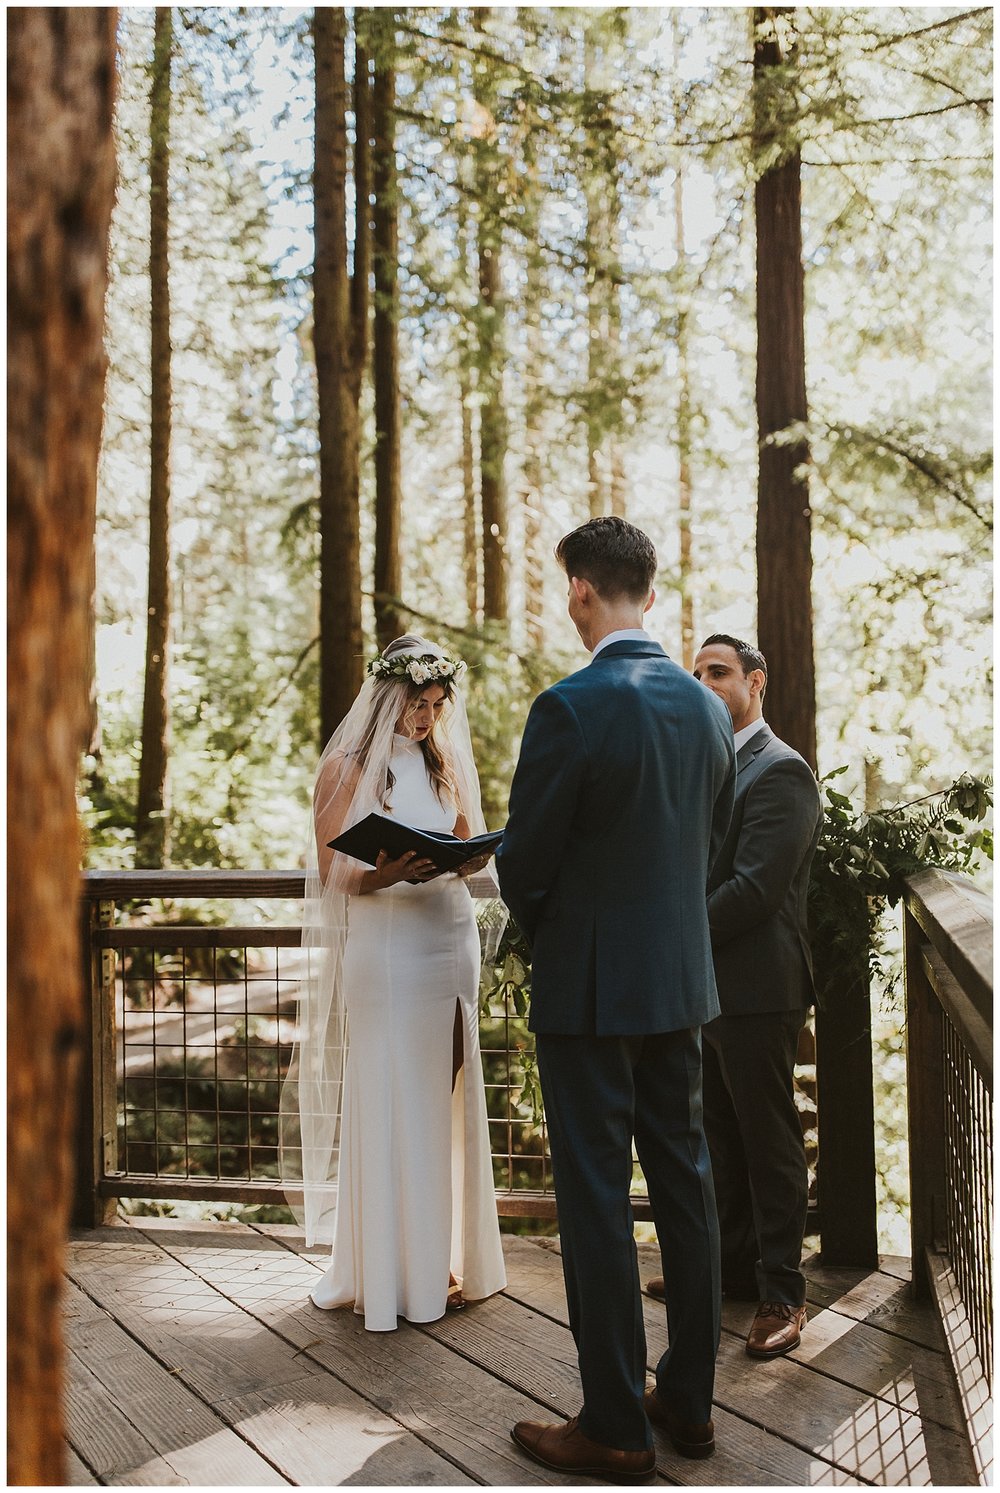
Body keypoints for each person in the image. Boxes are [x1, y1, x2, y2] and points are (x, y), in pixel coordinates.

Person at [496, 517, 736, 1481]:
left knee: (595, 1198)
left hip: (590, 992)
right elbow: (710, 842)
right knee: (687, 1186)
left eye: (567, 589)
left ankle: (613, 1424)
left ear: (584, 591)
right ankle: (687, 1398)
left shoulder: (571, 706)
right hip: (680, 983)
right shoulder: (708, 710)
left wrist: (563, 924)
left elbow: (525, 863)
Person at [282, 634, 506, 1332]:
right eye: (417, 703)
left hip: (446, 937)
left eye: (438, 705)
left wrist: (466, 859)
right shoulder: (347, 766)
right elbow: (331, 872)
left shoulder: (441, 764)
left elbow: (466, 842)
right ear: (389, 693)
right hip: (387, 947)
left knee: (442, 1097)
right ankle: (390, 1266)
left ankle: (442, 1253)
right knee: (391, 1093)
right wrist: (388, 872)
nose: (426, 718)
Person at [645, 634, 822, 1360]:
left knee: (769, 1139)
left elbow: (753, 890)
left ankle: (783, 1291)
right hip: (710, 987)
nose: (703, 682)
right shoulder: (709, 763)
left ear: (756, 681)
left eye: (718, 672)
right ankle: (725, 1275)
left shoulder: (781, 771)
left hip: (757, 987)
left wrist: (667, 925)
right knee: (717, 1136)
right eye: (696, 673)